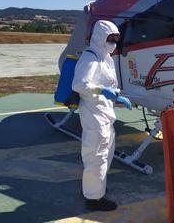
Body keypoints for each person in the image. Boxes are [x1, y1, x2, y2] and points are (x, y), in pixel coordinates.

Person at [72, 20, 132, 211]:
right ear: (99, 37)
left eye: (116, 38)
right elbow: (79, 84)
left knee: (106, 153)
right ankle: (93, 198)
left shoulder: (105, 57)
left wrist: (115, 97)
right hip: (94, 114)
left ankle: (97, 186)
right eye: (110, 38)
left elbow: (108, 85)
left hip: (105, 113)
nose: (113, 42)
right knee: (96, 155)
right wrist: (102, 91)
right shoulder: (91, 58)